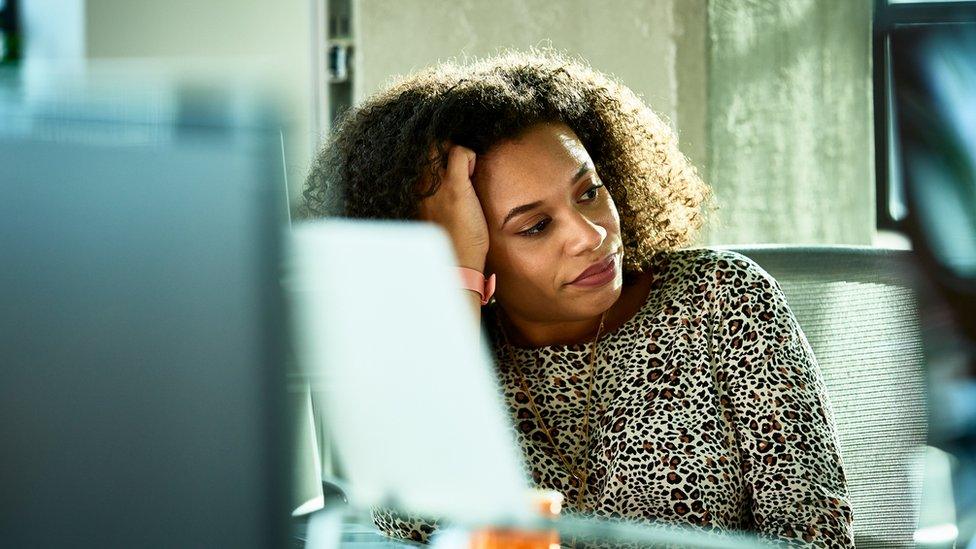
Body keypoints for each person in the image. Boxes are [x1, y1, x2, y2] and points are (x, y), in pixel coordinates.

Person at [301, 50, 854, 548]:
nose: (590, 234)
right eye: (536, 226)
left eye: (590, 192)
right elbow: (415, 518)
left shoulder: (722, 298)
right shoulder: (452, 352)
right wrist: (457, 280)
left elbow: (814, 534)